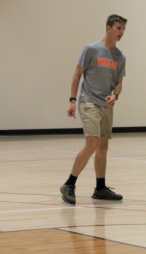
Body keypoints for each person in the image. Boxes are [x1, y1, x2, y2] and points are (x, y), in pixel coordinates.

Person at [60, 14, 127, 205]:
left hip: (106, 105)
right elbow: (77, 75)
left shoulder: (120, 57)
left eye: (123, 29)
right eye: (118, 28)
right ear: (108, 28)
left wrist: (115, 95)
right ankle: (69, 184)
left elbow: (119, 83)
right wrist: (73, 100)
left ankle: (100, 188)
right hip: (89, 101)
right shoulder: (91, 49)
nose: (121, 32)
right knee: (92, 144)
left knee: (103, 147)